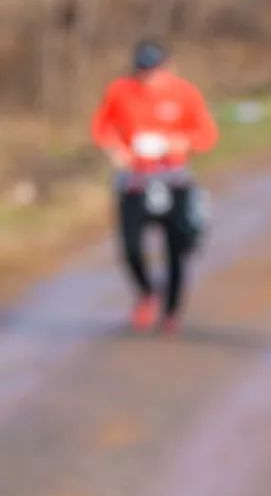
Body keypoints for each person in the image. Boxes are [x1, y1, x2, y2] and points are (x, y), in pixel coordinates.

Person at [91, 40, 217, 333]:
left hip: (174, 180)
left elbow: (207, 136)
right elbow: (101, 128)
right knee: (130, 247)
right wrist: (116, 151)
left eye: (154, 69)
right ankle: (147, 293)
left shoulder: (186, 93)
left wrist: (180, 143)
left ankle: (171, 311)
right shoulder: (120, 90)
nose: (148, 76)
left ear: (169, 67)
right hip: (134, 180)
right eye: (143, 69)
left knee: (177, 247)